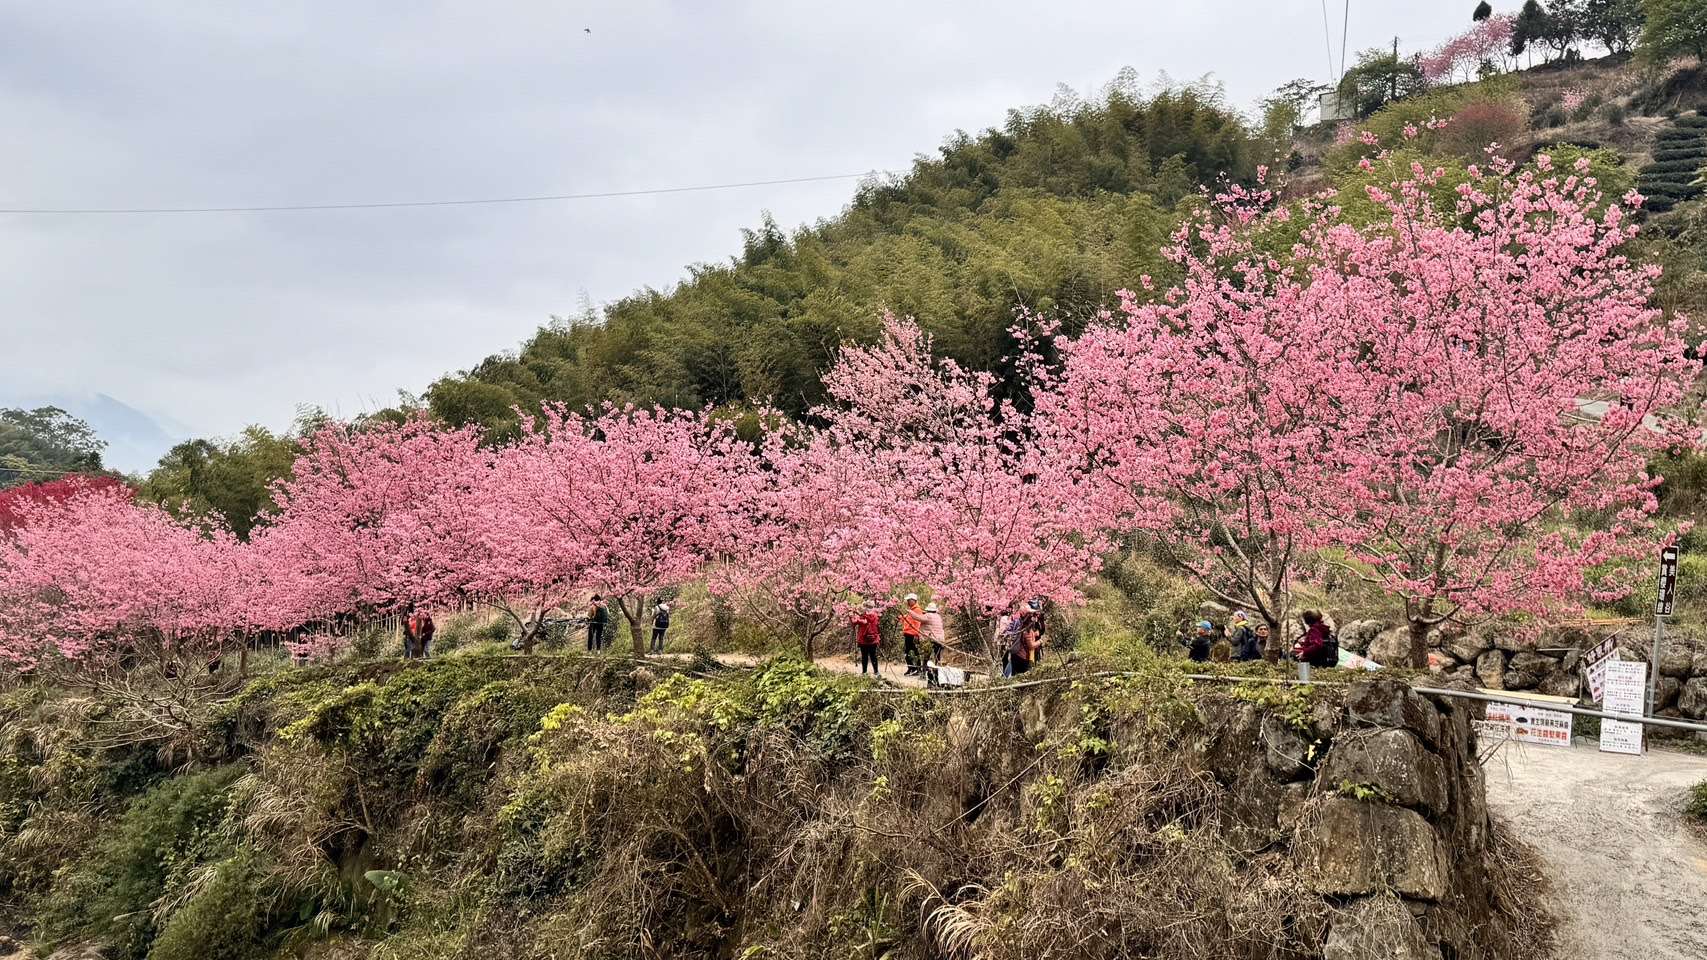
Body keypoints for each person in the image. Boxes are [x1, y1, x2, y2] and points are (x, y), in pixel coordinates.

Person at [852, 603, 882, 676]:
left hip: (863, 639)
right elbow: (877, 626)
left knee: (864, 656)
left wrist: (852, 615)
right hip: (873, 639)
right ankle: (876, 671)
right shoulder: (876, 616)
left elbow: (853, 622)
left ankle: (864, 672)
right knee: (873, 655)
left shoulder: (862, 617)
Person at [900, 594, 926, 676]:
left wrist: (916, 633)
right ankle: (912, 668)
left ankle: (914, 668)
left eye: (909, 600)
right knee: (910, 651)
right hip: (908, 633)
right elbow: (907, 619)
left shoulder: (917, 610)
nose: (907, 602)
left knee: (911, 651)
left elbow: (918, 623)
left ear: (913, 600)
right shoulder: (911, 610)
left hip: (912, 634)